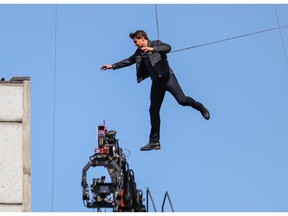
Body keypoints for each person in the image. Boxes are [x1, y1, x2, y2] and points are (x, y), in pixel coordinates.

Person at [101, 30, 210, 151]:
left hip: (167, 78)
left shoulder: (155, 44)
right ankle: (154, 141)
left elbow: (168, 47)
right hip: (156, 83)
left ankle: (200, 107)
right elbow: (129, 60)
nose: (135, 44)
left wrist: (153, 49)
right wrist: (112, 66)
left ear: (142, 38)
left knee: (182, 100)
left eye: (135, 41)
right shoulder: (139, 52)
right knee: (153, 110)